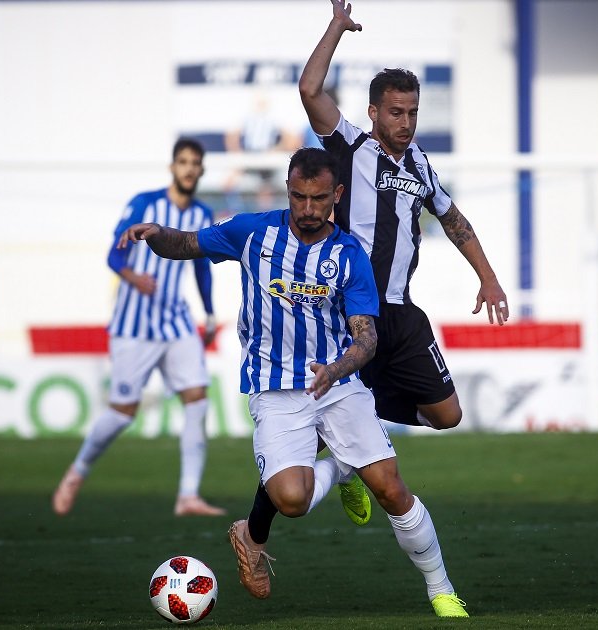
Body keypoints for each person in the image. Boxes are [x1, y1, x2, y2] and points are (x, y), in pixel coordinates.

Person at [234, 0, 511, 599]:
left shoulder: (421, 166)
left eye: (412, 112)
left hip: (401, 313)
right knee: (313, 447)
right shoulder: (349, 145)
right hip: (349, 314)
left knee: (448, 416)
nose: (405, 122)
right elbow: (310, 89)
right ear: (374, 112)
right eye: (395, 111)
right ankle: (266, 527)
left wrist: (487, 278)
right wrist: (336, 27)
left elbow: (454, 220)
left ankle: (344, 460)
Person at [117, 147, 469, 618]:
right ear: (288, 189)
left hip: (337, 385)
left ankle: (442, 590)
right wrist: (156, 234)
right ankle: (334, 473)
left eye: (318, 198)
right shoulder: (252, 232)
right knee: (291, 500)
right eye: (299, 196)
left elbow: (366, 338)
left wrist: (337, 370)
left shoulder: (349, 255)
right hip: (275, 387)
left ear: (336, 195)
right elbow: (187, 244)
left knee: (391, 490)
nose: (307, 208)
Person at [52, 138, 225, 518]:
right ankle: (77, 471)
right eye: (183, 161)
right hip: (134, 323)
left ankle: (188, 495)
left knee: (197, 399)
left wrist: (210, 314)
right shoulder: (145, 203)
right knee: (122, 412)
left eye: (195, 162)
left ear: (201, 170)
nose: (189, 168)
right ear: (172, 167)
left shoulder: (202, 213)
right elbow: (113, 254)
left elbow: (201, 267)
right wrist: (133, 278)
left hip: (176, 321)